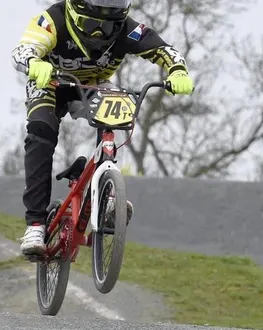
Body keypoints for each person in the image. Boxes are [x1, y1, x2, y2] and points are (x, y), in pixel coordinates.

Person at [11, 0, 194, 256]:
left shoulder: (128, 29)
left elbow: (162, 49)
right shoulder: (53, 19)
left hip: (93, 85)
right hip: (49, 83)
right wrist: (33, 63)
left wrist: (178, 71)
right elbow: (22, 50)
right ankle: (36, 224)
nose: (98, 34)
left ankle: (106, 193)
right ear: (75, 14)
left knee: (116, 111)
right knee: (41, 132)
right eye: (91, 25)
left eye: (108, 28)